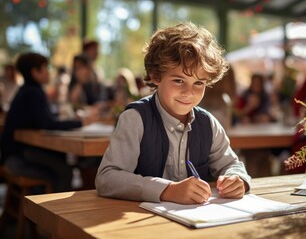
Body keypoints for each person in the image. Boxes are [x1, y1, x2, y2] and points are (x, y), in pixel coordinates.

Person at [95, 22, 251, 205]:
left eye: (199, 83)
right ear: (155, 76)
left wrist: (236, 179)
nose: (189, 92)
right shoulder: (135, 119)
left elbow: (230, 164)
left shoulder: (209, 123)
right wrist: (167, 190)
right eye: (179, 80)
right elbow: (107, 178)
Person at [0, 52, 96, 192]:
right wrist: (81, 123)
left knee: (62, 162)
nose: (49, 72)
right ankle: (56, 211)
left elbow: (41, 118)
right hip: (18, 159)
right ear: (35, 72)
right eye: (46, 68)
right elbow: (48, 124)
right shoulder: (32, 92)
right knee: (64, 171)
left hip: (14, 154)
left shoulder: (28, 90)